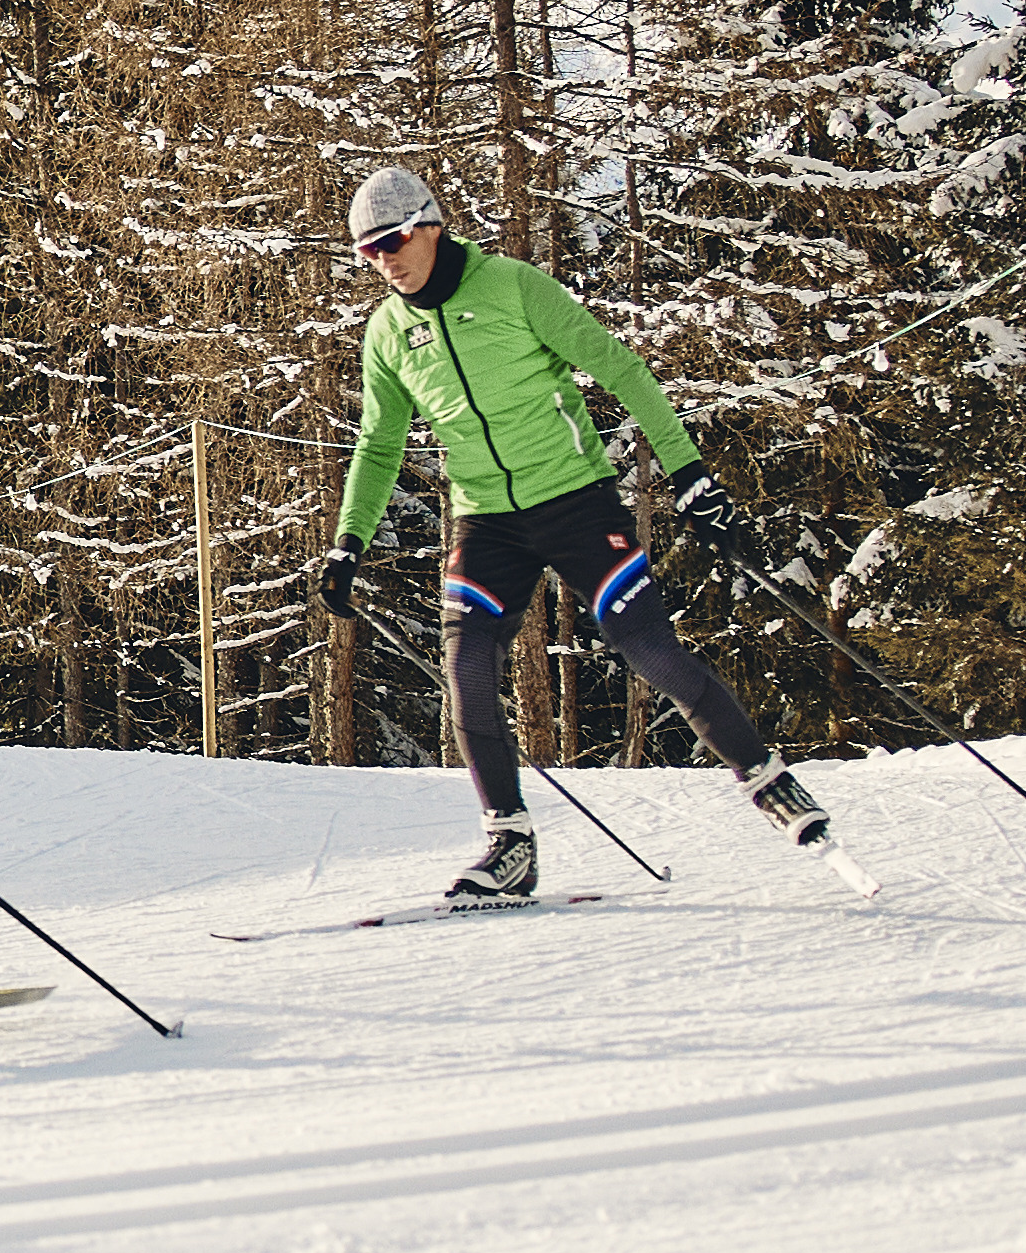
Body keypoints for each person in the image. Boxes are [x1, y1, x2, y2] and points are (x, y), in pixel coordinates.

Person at [310, 160, 837, 903]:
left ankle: (767, 779)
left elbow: (622, 370)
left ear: (430, 225)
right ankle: (510, 845)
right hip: (486, 519)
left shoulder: (513, 287)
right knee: (467, 677)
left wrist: (690, 476)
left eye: (393, 240)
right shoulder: (389, 333)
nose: (385, 260)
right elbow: (378, 443)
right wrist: (348, 541)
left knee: (648, 649)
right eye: (368, 251)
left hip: (575, 501)